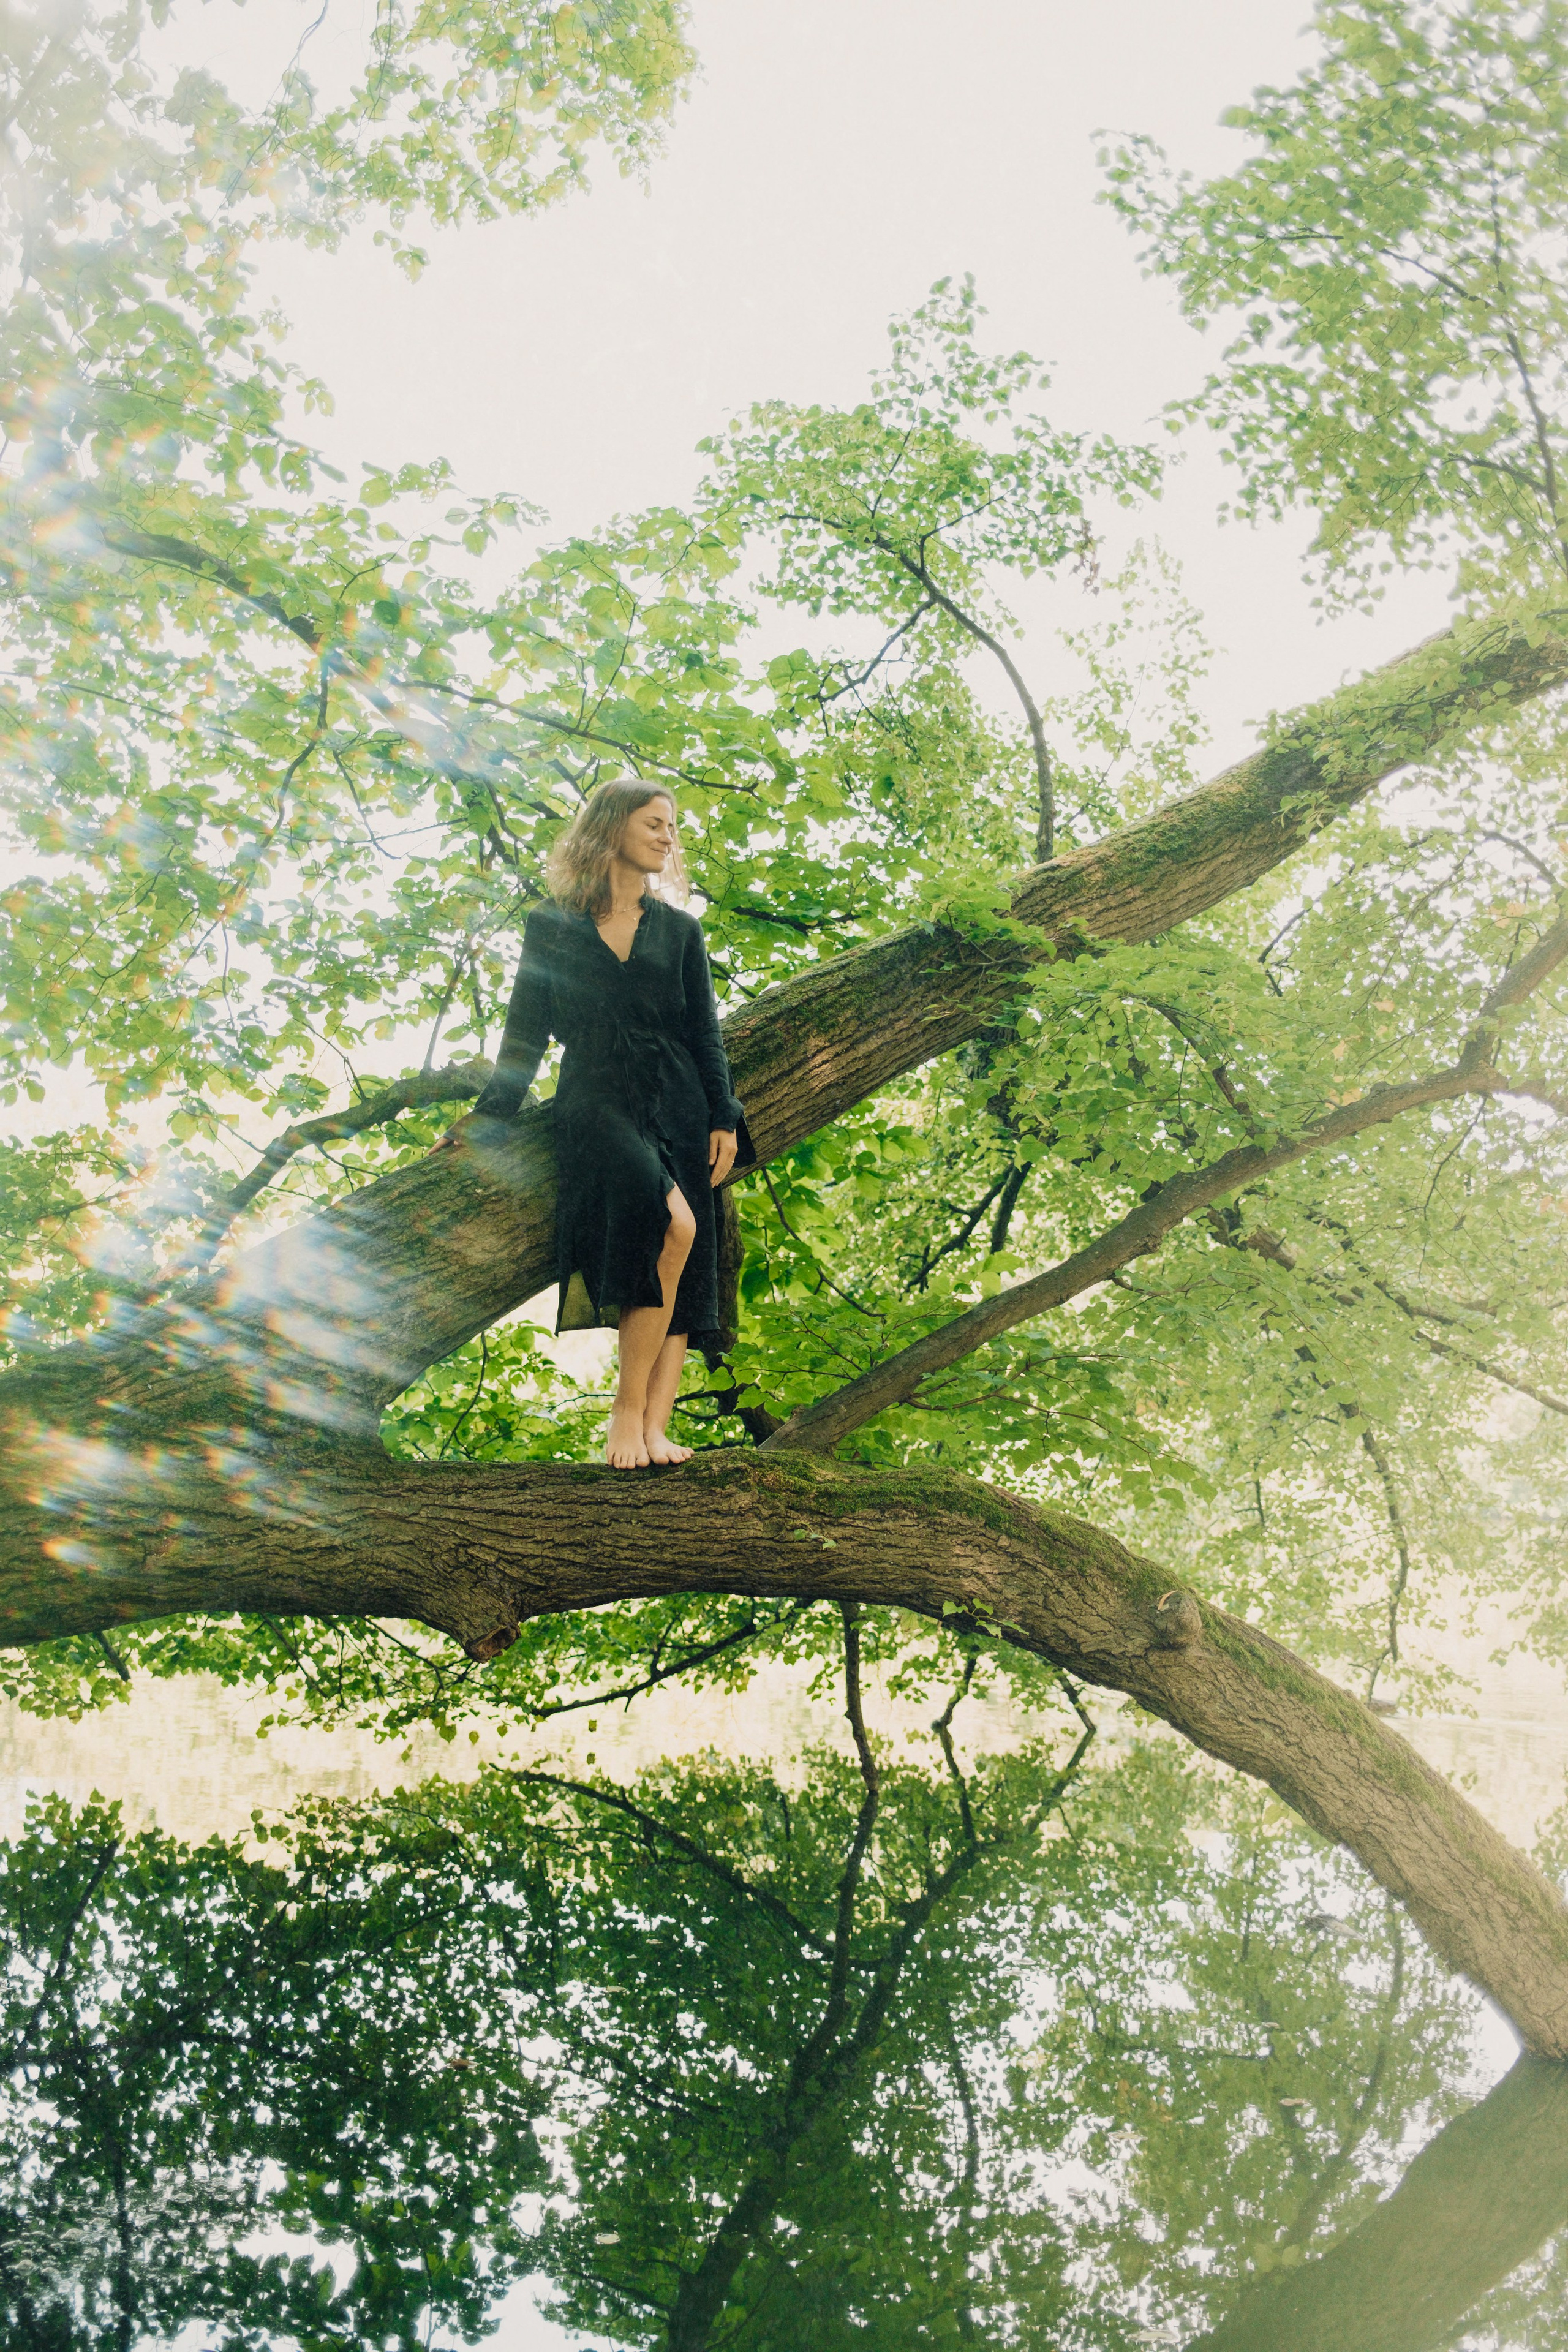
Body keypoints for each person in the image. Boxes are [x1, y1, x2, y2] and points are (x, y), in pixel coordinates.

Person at [468, 782, 747, 1469]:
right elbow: (524, 1035)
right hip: (596, 1097)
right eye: (654, 823)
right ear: (611, 826)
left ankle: (656, 1429)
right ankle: (624, 1416)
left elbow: (703, 1033)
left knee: (689, 1260)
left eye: (672, 828)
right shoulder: (552, 925)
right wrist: (487, 1118)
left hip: (679, 1100)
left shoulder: (680, 930)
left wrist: (724, 1115)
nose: (667, 837)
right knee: (671, 1226)